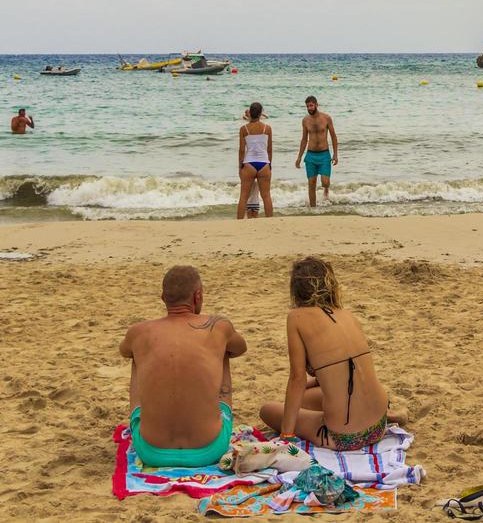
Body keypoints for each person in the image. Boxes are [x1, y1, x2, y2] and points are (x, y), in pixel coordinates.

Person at [119, 266, 248, 468]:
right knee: (223, 351)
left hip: (150, 452)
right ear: (198, 296)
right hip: (211, 449)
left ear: (163, 298)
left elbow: (124, 351)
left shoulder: (139, 331)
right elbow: (240, 348)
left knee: (137, 356)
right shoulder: (218, 325)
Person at [260, 257, 390, 451]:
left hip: (345, 437)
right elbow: (338, 375)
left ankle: (292, 428)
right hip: (380, 423)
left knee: (268, 410)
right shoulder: (346, 315)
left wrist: (286, 435)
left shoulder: (296, 317)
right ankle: (394, 414)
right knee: (302, 400)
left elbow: (297, 379)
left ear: (296, 290)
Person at [295, 96, 338, 207]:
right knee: (311, 183)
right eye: (307, 106)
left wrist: (335, 154)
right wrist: (299, 157)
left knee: (325, 182)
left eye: (311, 105)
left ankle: (326, 190)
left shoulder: (326, 118)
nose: (309, 108)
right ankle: (313, 209)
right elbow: (304, 139)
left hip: (324, 155)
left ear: (316, 105)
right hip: (311, 155)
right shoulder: (305, 120)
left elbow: (333, 136)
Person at [238, 102, 274, 219]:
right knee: (266, 196)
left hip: (249, 164)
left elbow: (242, 151)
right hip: (264, 163)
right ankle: (270, 221)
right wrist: (270, 164)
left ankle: (238, 222)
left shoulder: (244, 129)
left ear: (250, 113)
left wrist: (240, 166)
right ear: (260, 113)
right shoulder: (267, 128)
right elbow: (269, 150)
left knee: (243, 197)